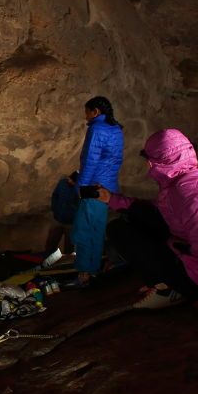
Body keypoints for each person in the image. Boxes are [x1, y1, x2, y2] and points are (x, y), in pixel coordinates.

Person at [99, 129, 198, 309]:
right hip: (188, 250)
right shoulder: (189, 179)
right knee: (136, 216)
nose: (149, 166)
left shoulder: (185, 193)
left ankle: (170, 288)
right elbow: (161, 210)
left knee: (119, 230)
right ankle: (167, 282)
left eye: (150, 161)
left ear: (157, 162)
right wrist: (112, 199)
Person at [68, 96, 124, 284]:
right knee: (96, 229)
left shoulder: (97, 129)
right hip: (107, 186)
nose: (86, 117)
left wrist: (81, 186)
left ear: (96, 112)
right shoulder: (115, 128)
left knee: (85, 230)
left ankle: (85, 272)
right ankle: (92, 268)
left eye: (87, 112)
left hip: (93, 187)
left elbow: (91, 160)